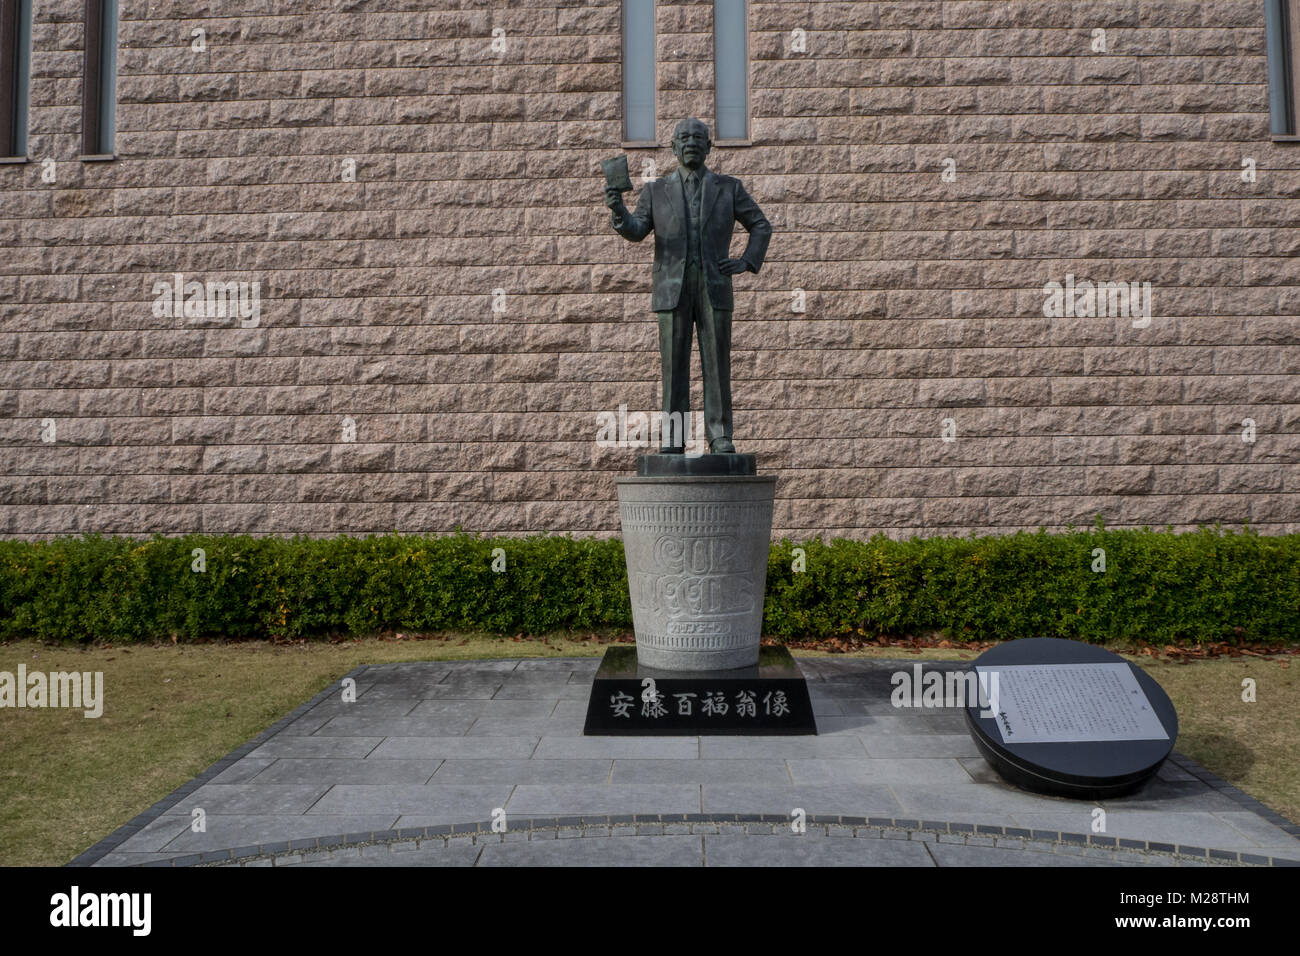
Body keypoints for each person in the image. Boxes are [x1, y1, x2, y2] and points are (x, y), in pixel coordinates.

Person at [604, 117, 772, 454]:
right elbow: (637, 230)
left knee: (717, 363)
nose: (691, 141)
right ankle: (674, 437)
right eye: (684, 137)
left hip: (714, 286)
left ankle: (720, 435)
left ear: (709, 146)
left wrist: (746, 261)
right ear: (673, 147)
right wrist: (618, 209)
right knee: (674, 366)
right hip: (671, 289)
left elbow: (760, 226)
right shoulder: (655, 191)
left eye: (698, 137)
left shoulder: (729, 188)